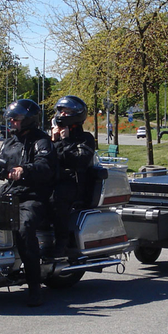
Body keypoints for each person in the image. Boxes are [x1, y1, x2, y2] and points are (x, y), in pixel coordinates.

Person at [0, 99, 57, 307]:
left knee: (24, 228)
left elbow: (45, 165)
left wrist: (25, 170)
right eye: (11, 118)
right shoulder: (9, 142)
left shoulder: (41, 141)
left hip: (33, 197)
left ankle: (34, 288)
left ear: (29, 119)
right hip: (9, 194)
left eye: (17, 118)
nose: (12, 121)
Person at [50, 95, 96, 259]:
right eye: (61, 111)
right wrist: (53, 141)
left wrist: (65, 140)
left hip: (74, 184)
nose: (62, 115)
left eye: (66, 111)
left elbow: (78, 161)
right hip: (54, 180)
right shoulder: (54, 136)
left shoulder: (86, 139)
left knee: (57, 197)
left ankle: (62, 242)